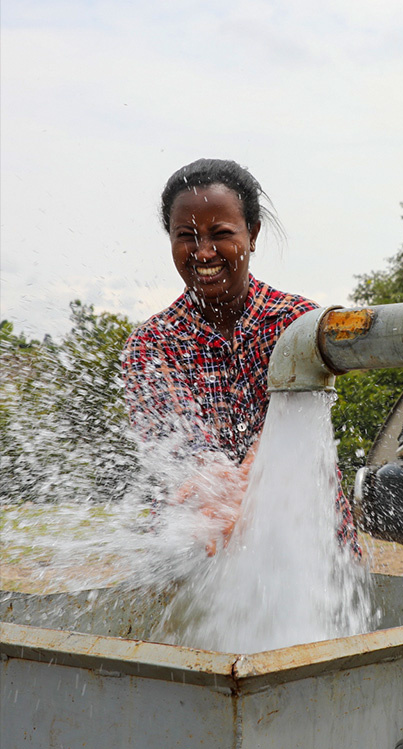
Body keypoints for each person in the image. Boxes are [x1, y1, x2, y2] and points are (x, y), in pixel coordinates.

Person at [121, 158, 360, 557]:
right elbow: (174, 442)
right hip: (199, 539)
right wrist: (213, 482)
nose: (203, 252)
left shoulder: (298, 323)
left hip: (305, 540)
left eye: (220, 233)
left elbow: (295, 427)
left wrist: (245, 485)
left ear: (252, 234)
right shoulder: (152, 344)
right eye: (186, 236)